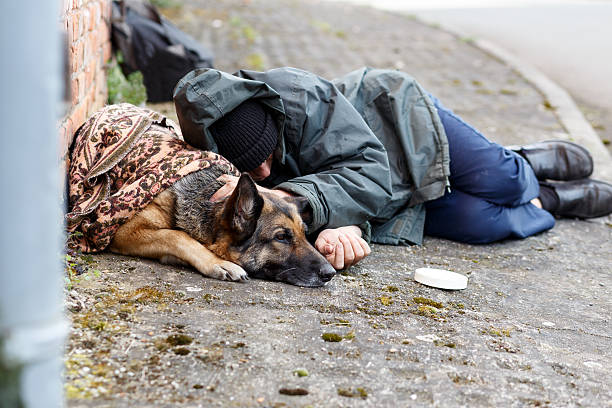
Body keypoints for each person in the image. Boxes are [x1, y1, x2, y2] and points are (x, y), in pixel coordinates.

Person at [173, 67, 612, 270]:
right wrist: (336, 227)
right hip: (376, 198)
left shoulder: (301, 96)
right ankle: (550, 199)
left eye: (268, 155)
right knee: (486, 223)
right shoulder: (218, 155)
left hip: (399, 128)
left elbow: (368, 168)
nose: (265, 173)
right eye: (253, 168)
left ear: (270, 120)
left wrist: (297, 200)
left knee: (504, 182)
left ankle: (522, 163)